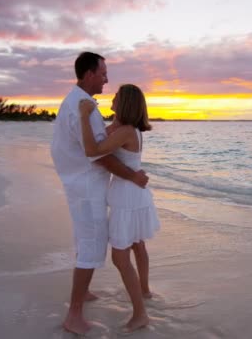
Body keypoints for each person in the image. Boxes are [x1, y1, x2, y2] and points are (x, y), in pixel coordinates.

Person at [50, 52, 149, 335]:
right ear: (89, 74)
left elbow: (96, 145)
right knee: (93, 244)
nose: (107, 79)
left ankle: (87, 293)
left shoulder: (77, 102)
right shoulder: (85, 108)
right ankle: (75, 314)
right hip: (87, 185)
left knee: (89, 241)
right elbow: (96, 154)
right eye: (104, 73)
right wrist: (133, 175)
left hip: (81, 183)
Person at [78, 84, 160, 332]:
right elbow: (104, 139)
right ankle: (144, 291)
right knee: (138, 244)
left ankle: (140, 314)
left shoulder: (124, 131)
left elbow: (92, 150)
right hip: (135, 195)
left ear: (124, 102)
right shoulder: (127, 128)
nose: (111, 98)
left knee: (120, 256)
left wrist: (83, 116)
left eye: (116, 96)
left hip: (127, 199)